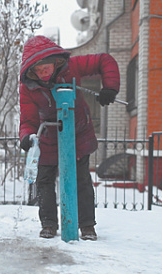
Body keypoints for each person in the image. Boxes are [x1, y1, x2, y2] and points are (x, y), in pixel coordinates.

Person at [19, 35, 120, 240]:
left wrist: (109, 88)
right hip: (47, 139)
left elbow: (104, 60)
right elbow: (28, 118)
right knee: (44, 181)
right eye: (38, 71)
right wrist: (27, 136)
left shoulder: (71, 67)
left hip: (77, 135)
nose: (43, 74)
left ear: (55, 61)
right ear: (31, 71)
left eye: (46, 68)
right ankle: (48, 223)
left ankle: (87, 226)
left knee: (81, 180)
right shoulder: (28, 87)